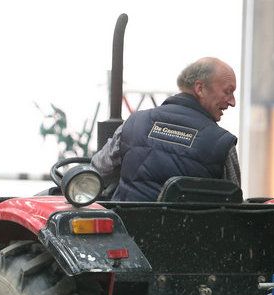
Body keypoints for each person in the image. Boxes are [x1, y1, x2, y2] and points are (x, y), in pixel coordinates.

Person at [91, 57, 240, 201]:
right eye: (227, 91)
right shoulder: (223, 144)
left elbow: (96, 172)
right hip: (192, 226)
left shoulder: (134, 123)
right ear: (200, 88)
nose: (232, 102)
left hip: (127, 224)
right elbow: (234, 204)